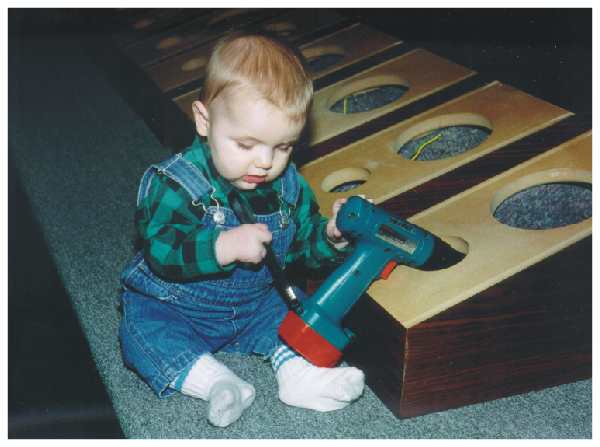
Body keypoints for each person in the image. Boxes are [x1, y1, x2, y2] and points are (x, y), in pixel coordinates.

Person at [119, 32, 365, 428]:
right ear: (204, 120)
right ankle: (216, 382)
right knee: (140, 331)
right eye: (246, 144)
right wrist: (222, 246)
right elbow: (162, 249)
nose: (265, 162)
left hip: (254, 306)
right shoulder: (173, 183)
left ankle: (298, 377)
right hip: (175, 306)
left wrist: (332, 235)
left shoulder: (287, 186)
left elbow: (302, 246)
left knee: (295, 309)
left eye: (283, 147)